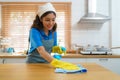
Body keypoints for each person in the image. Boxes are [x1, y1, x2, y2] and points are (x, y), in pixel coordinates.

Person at [26, 3, 79, 70]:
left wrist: (57, 50)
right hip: (33, 65)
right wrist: (56, 62)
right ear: (41, 19)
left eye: (53, 20)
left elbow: (53, 49)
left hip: (47, 64)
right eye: (47, 20)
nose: (51, 23)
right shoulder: (34, 31)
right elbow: (41, 51)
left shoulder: (53, 32)